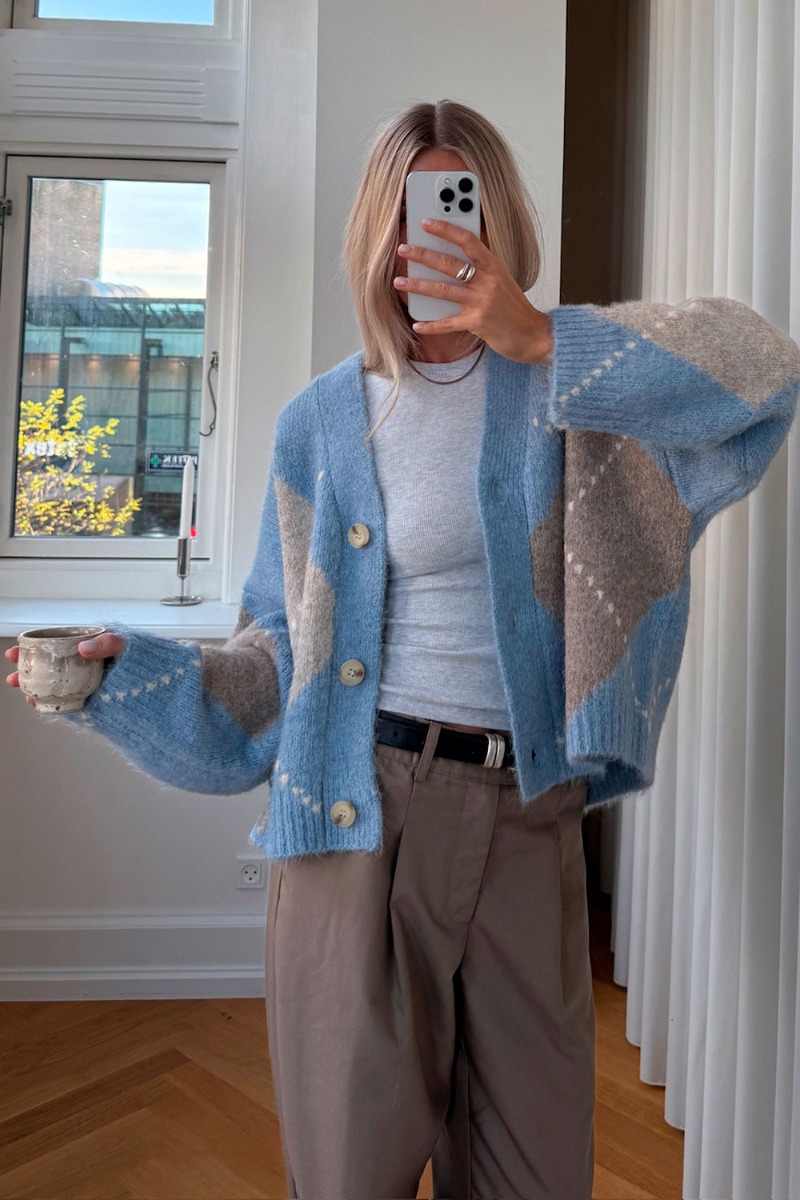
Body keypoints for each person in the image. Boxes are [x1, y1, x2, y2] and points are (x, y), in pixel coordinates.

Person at [6, 99, 800, 1199]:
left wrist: (541, 335)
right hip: (360, 819)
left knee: (535, 1175)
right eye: (401, 214)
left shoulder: (585, 399)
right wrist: (124, 672)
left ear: (498, 224)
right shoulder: (321, 425)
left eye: (450, 209)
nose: (419, 241)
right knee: (351, 1175)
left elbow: (764, 375)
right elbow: (275, 662)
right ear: (371, 235)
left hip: (531, 820)